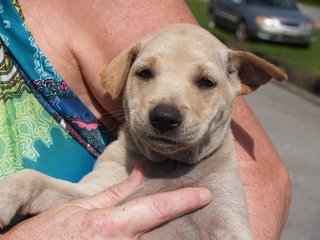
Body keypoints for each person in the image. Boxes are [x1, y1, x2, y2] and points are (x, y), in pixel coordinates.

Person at [0, 0, 291, 239]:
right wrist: (27, 187)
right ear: (124, 74)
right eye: (145, 74)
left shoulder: (219, 172)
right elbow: (79, 208)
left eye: (204, 82)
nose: (165, 111)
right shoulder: (122, 158)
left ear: (238, 79)